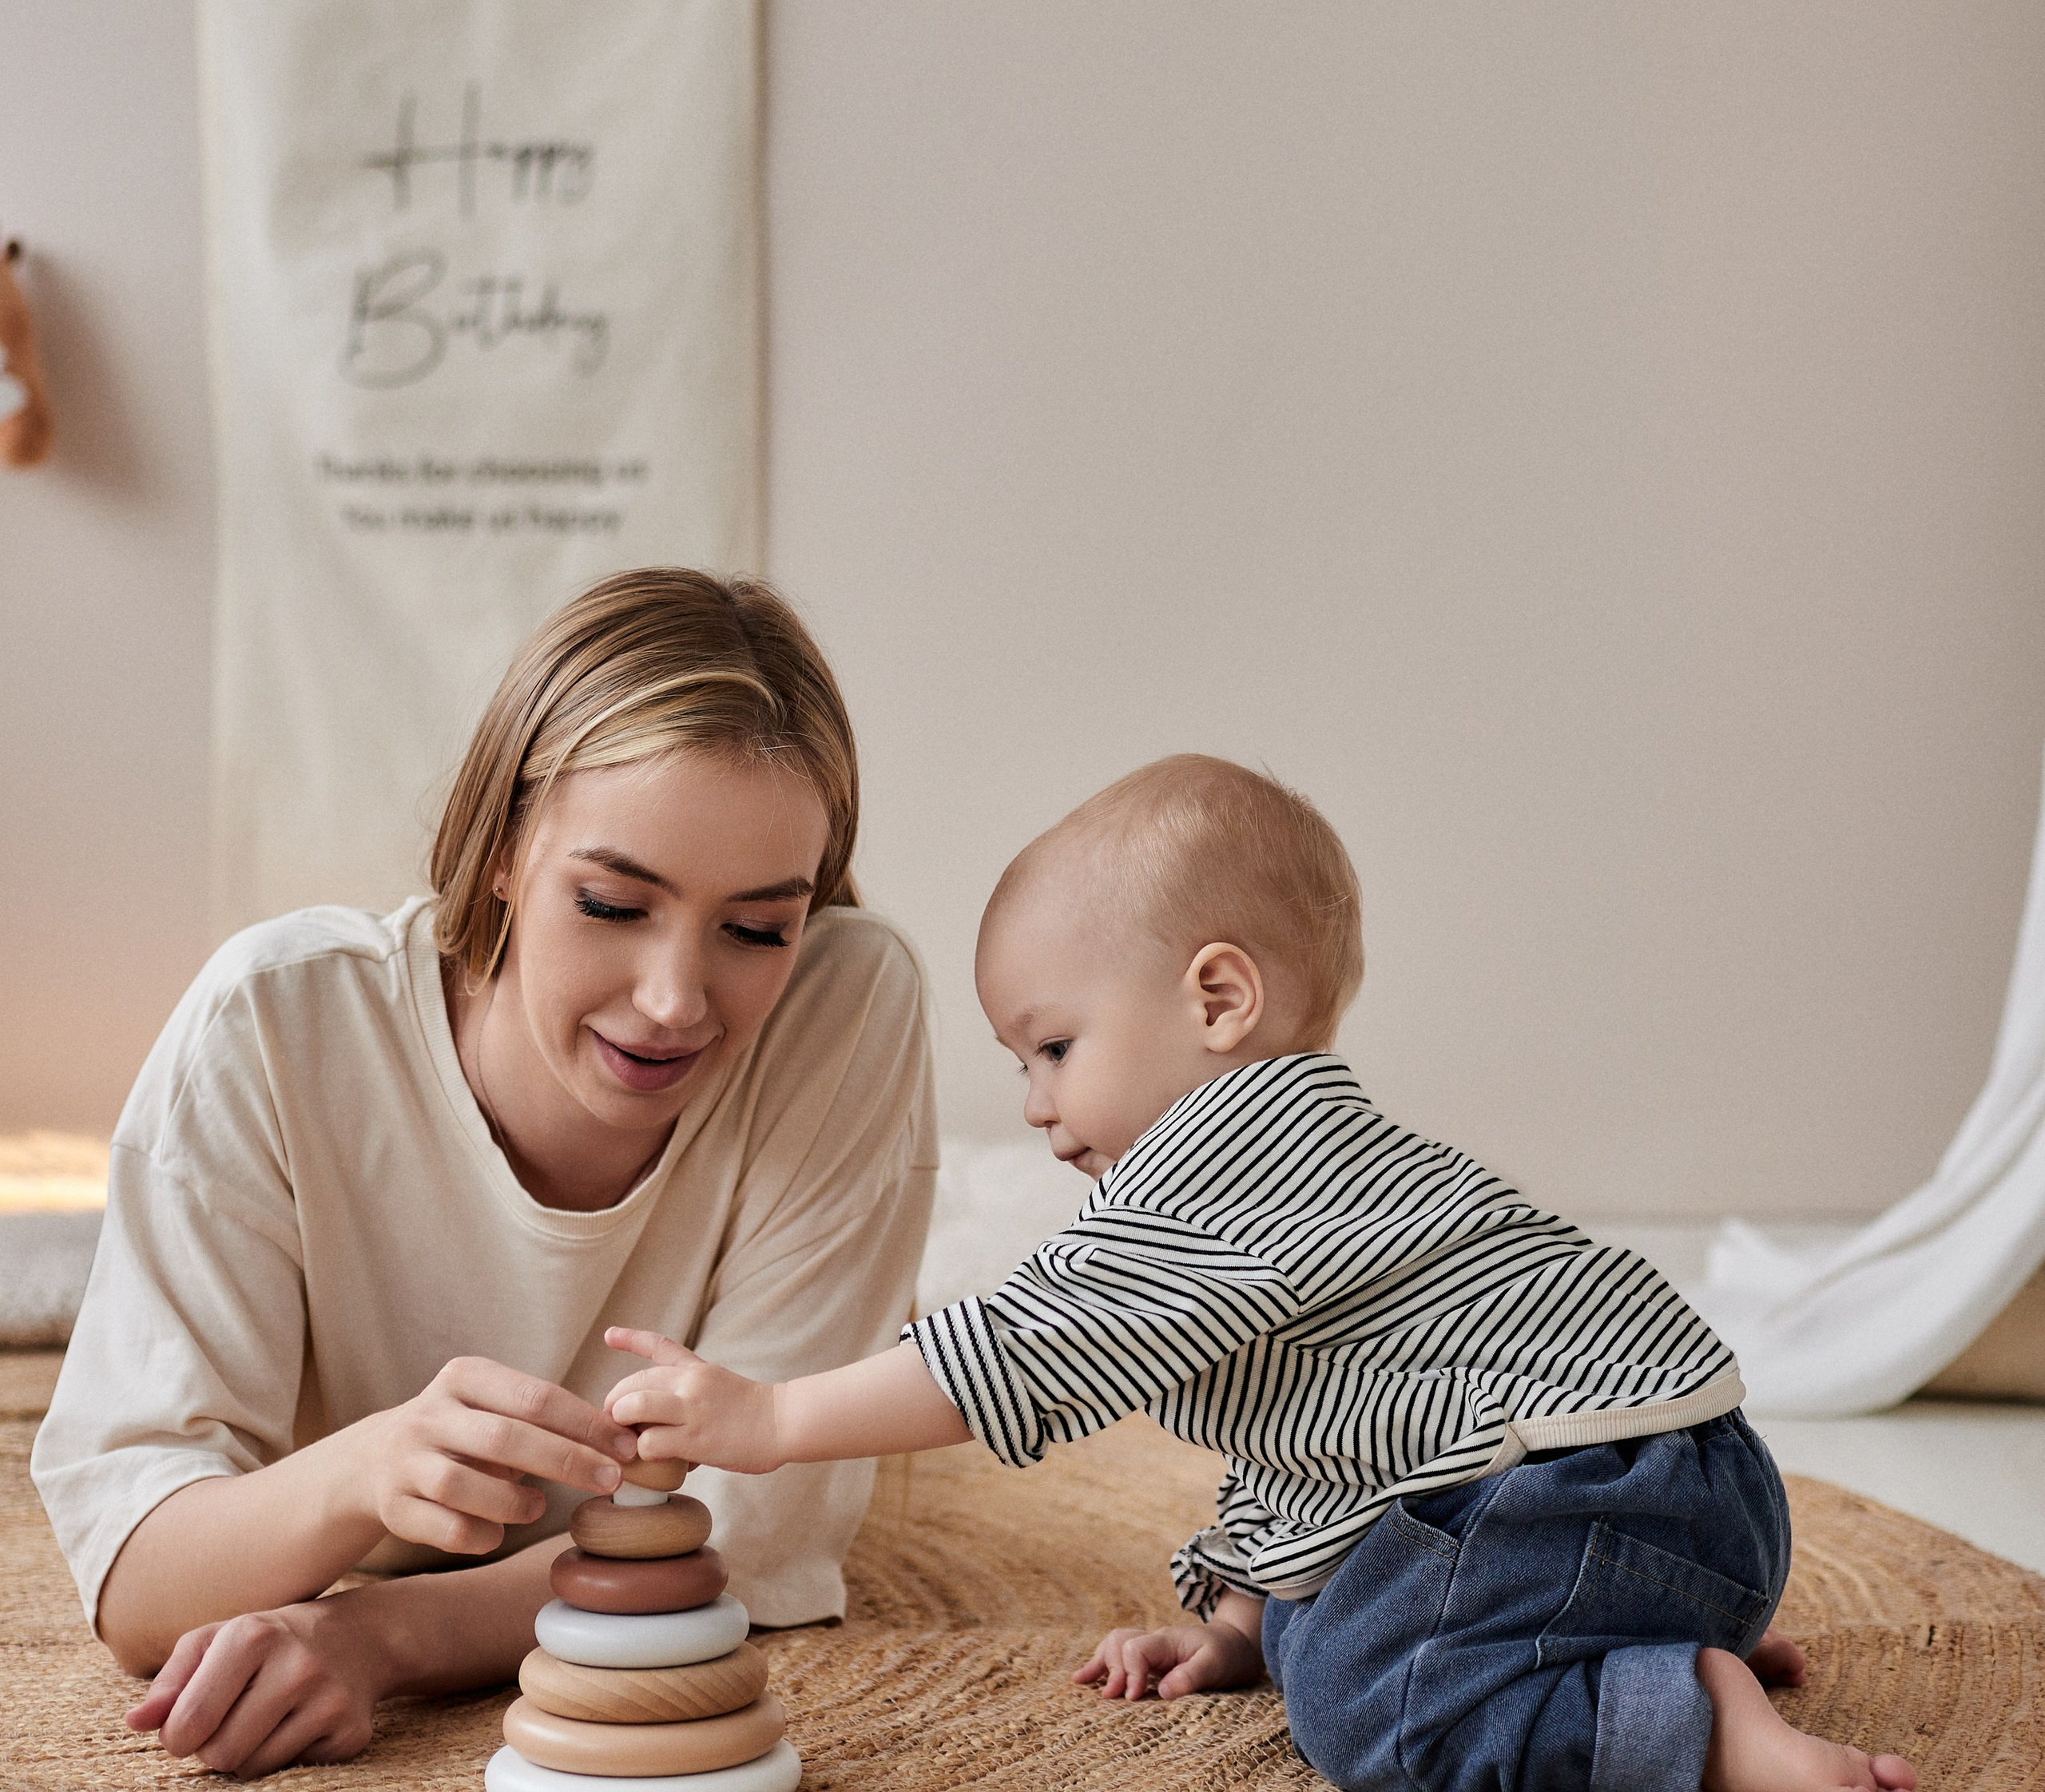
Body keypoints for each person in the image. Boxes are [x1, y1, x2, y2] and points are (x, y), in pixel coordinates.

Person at [602, 754, 1918, 1792]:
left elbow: (1030, 1344)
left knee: (1375, 1711)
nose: (1035, 1107)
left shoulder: (1220, 1156)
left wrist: (774, 1420)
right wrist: (1238, 1628)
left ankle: (1687, 1723)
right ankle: (1618, 1650)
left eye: (1054, 1048)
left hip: (1577, 1494)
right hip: (1689, 1501)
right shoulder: (1312, 1157)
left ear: (1217, 1000)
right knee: (1320, 1625)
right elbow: (1319, 1449)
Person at [32, 568, 937, 1779]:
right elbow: (138, 1578)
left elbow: (753, 1537)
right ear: (504, 849)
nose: (675, 1003)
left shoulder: (847, 1004)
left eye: (757, 929)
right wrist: (362, 1472)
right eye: (613, 904)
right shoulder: (273, 1026)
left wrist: (383, 1634)